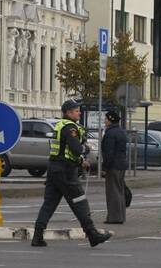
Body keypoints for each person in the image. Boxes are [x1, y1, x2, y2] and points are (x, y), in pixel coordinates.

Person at [31, 100, 113, 247]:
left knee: (48, 205)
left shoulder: (60, 125)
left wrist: (81, 161)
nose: (79, 113)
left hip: (54, 169)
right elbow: (75, 148)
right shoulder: (70, 128)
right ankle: (92, 235)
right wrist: (85, 149)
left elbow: (64, 151)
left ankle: (37, 237)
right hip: (66, 172)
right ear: (68, 113)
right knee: (80, 202)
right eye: (76, 111)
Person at [99, 110, 128, 224]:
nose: (104, 121)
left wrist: (105, 168)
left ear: (110, 120)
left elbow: (109, 153)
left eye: (106, 119)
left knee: (113, 192)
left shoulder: (110, 134)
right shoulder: (121, 131)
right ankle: (121, 216)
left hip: (113, 166)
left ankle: (114, 217)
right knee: (119, 190)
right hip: (121, 164)